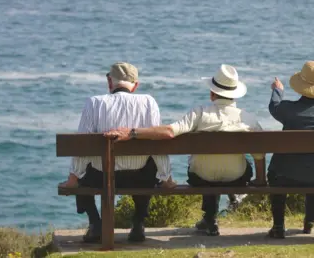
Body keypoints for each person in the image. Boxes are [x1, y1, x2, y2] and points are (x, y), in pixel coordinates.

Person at [104, 64, 266, 236]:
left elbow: (169, 132)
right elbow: (260, 153)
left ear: (212, 93)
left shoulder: (200, 113)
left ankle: (210, 218)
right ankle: (216, 213)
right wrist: (260, 180)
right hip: (236, 179)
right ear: (234, 95)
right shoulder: (248, 119)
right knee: (237, 164)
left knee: (205, 168)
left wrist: (133, 132)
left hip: (201, 178)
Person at [58, 62, 175, 243]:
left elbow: (82, 147)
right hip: (139, 178)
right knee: (149, 165)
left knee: (83, 172)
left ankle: (96, 224)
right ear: (135, 85)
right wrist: (166, 178)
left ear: (109, 81)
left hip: (101, 176)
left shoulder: (94, 103)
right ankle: (138, 223)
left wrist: (74, 177)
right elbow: (156, 145)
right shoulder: (148, 102)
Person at [267, 61, 314, 239]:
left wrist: (277, 90)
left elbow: (274, 107)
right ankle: (309, 222)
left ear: (300, 86)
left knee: (276, 172)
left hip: (286, 176)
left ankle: (278, 226)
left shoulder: (287, 110)